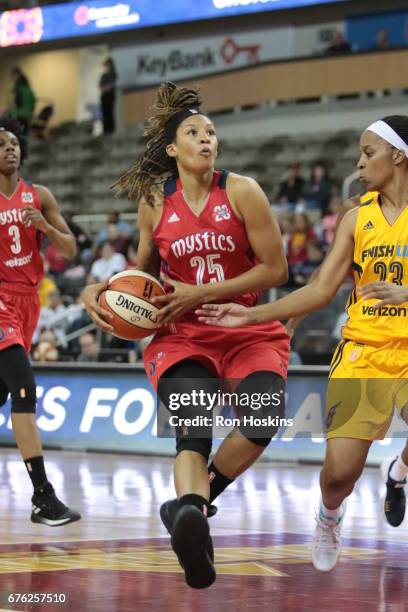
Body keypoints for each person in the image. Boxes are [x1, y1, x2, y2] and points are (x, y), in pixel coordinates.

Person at [82, 82, 290, 589]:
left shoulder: (241, 190)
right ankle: (193, 516)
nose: (207, 139)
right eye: (194, 133)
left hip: (244, 326)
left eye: (212, 132)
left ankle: (191, 507)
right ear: (172, 149)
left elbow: (276, 269)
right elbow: (143, 275)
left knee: (264, 416)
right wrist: (100, 290)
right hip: (183, 336)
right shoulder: (155, 202)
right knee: (193, 429)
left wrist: (200, 291)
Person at [197, 115, 408, 571]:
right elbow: (320, 287)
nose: (359, 162)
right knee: (339, 476)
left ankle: (400, 469)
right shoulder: (357, 218)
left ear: (398, 155)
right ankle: (329, 516)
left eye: (368, 153)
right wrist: (252, 314)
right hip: (363, 353)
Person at [0, 116, 81, 525]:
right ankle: (43, 497)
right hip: (0, 302)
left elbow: (70, 250)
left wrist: (46, 226)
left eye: (14, 143)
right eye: (1, 144)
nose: (10, 149)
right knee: (24, 388)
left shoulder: (39, 195)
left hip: (28, 301)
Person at [9, 68, 36, 136]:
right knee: (24, 134)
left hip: (21, 114)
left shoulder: (19, 88)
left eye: (13, 76)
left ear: (17, 75)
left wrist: (10, 112)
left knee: (19, 134)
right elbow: (34, 100)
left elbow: (16, 103)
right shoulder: (28, 88)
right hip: (27, 115)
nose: (12, 78)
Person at [99, 58, 117, 134]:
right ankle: (105, 130)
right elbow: (101, 87)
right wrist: (106, 88)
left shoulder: (113, 75)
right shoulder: (104, 75)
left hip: (110, 95)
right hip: (104, 96)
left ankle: (110, 130)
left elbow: (111, 85)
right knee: (104, 113)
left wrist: (106, 87)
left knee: (110, 113)